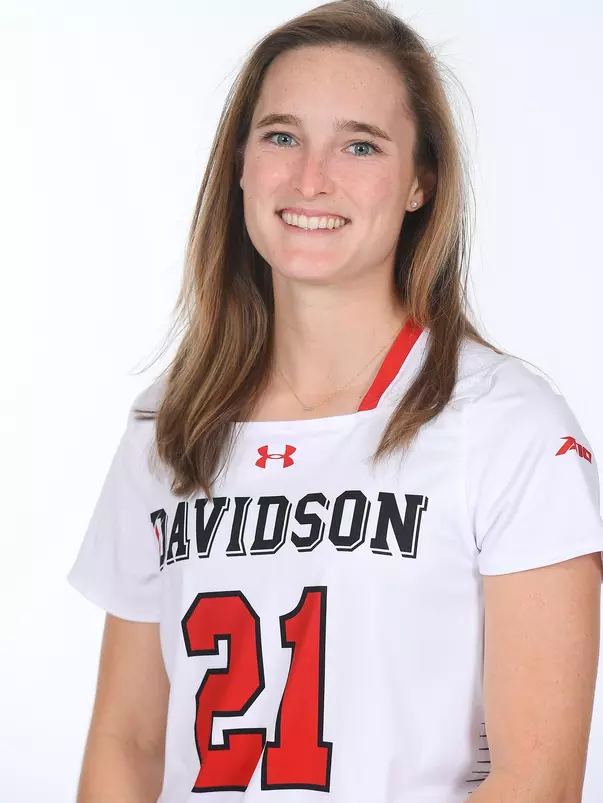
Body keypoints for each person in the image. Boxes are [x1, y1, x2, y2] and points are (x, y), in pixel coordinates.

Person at [66, 1, 603, 801]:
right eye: (281, 135)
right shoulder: (171, 425)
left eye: (359, 144)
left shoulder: (507, 425)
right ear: (240, 164)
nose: (310, 178)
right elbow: (129, 740)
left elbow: (535, 778)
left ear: (421, 181)